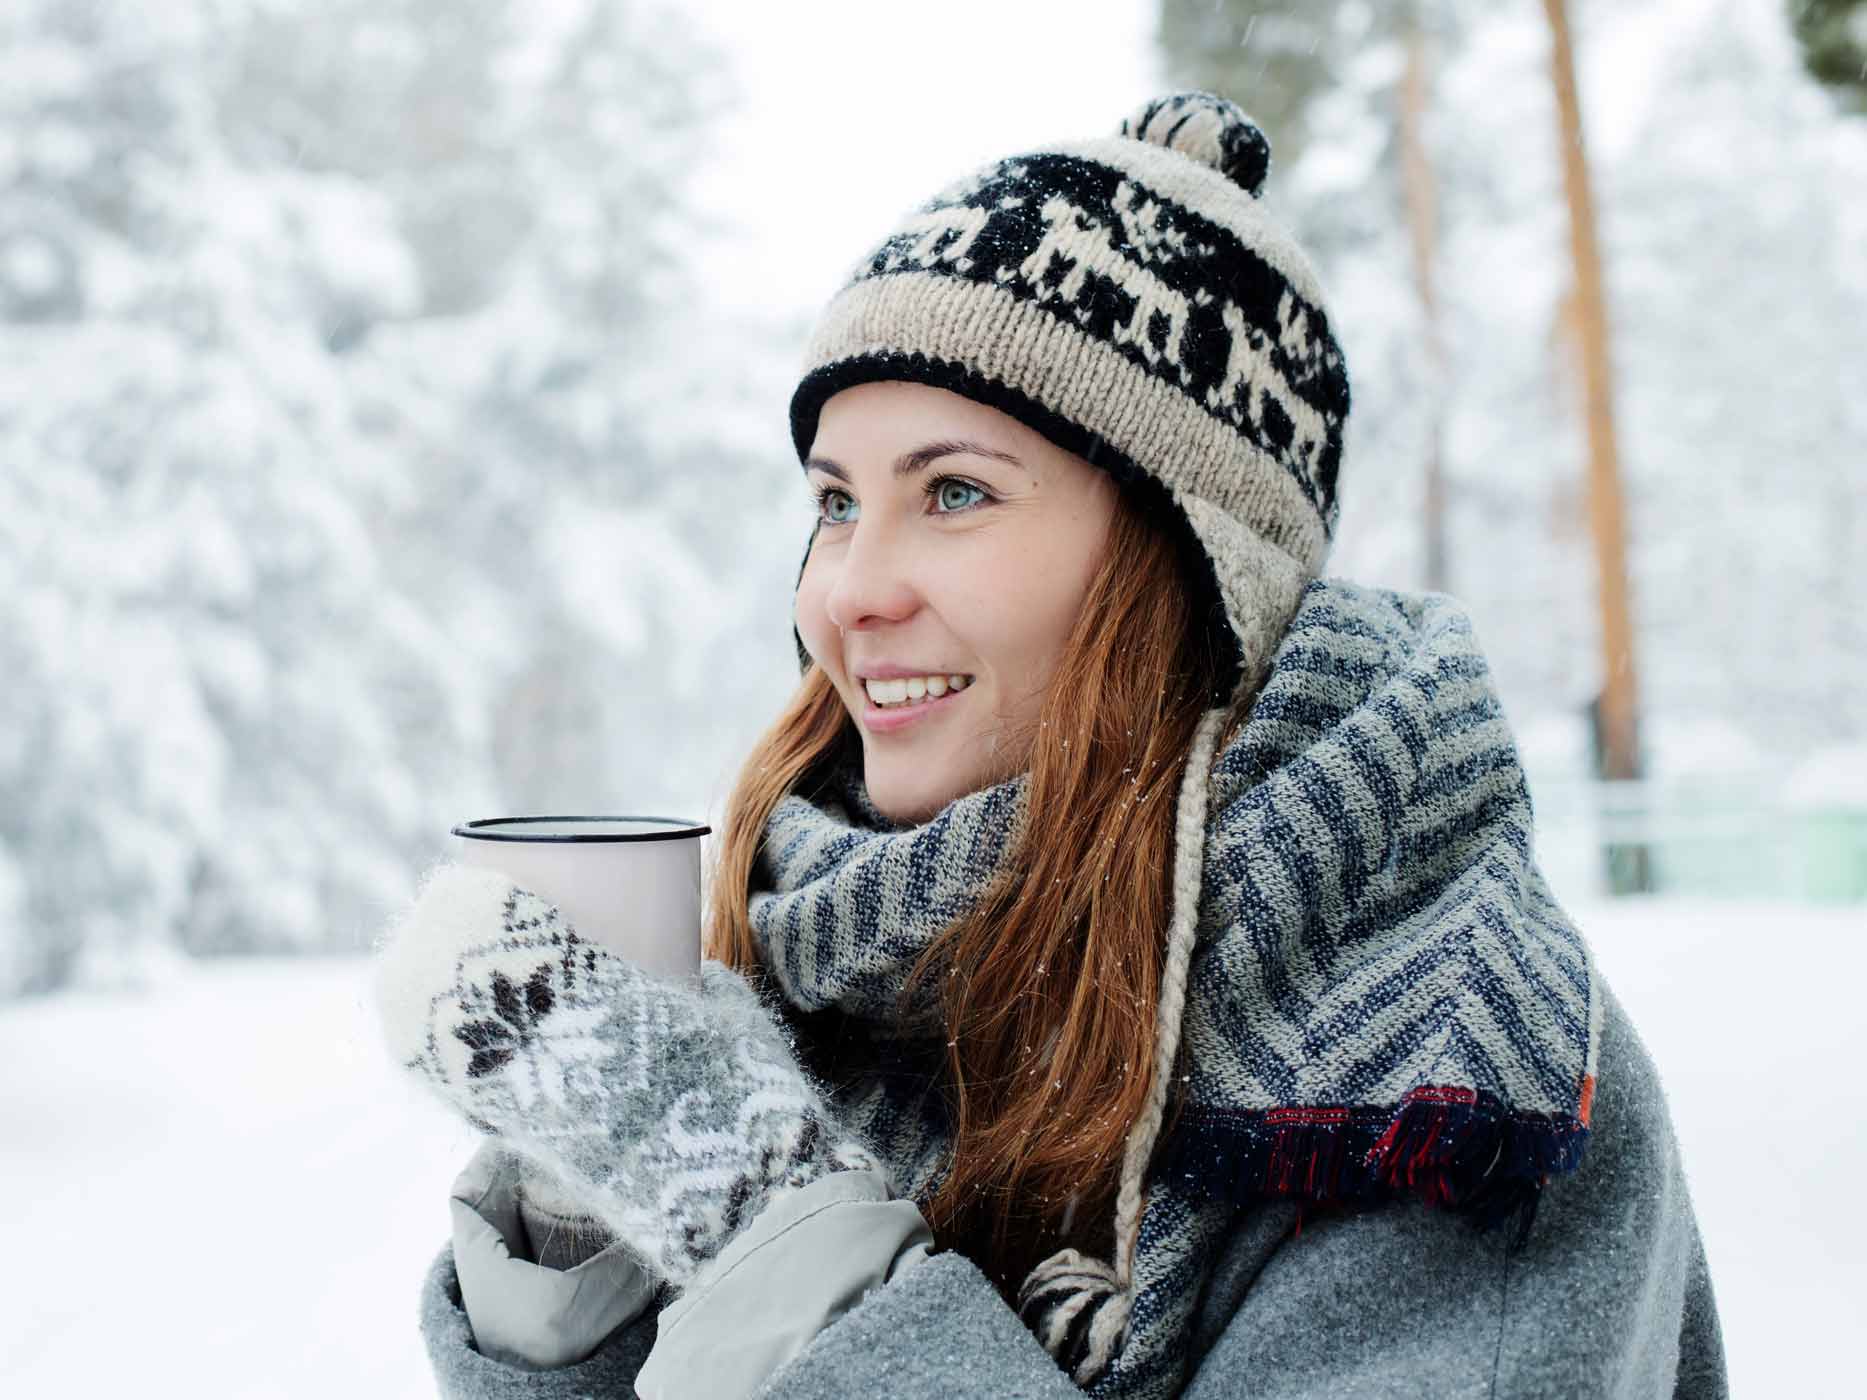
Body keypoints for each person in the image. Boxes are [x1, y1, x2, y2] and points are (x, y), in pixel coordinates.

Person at [371, 92, 1727, 1399]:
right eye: (836, 502)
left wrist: (750, 1209)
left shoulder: (1437, 1078)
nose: (848, 589)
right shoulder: (857, 986)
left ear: (1190, 566)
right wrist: (585, 1210)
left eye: (954, 492)